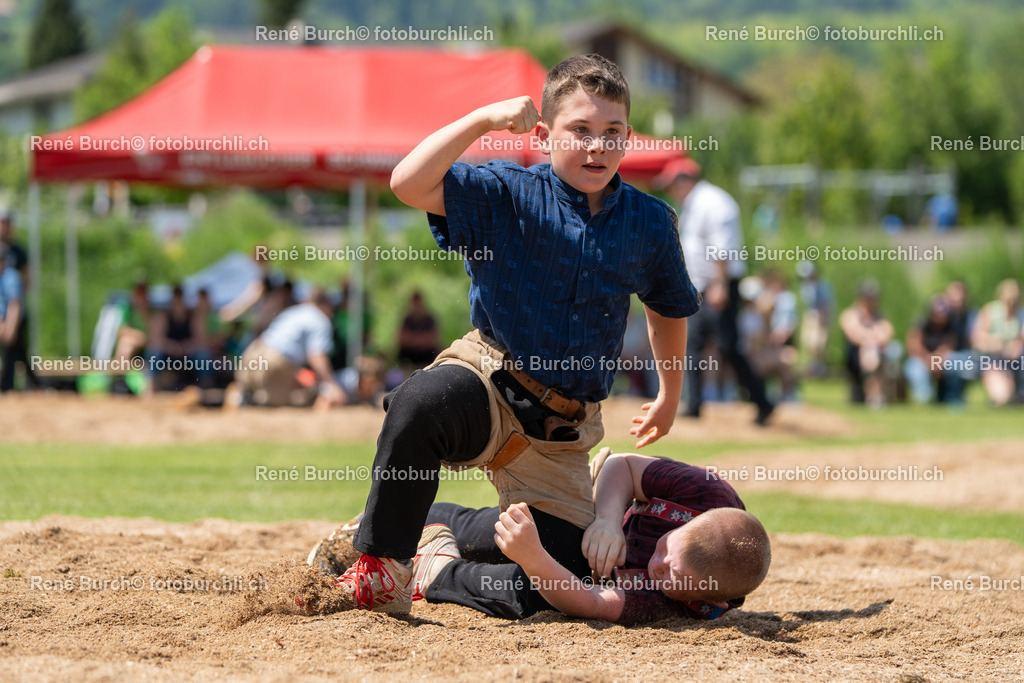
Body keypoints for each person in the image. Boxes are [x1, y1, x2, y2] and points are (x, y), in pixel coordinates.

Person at [329, 54, 700, 614]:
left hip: (562, 427)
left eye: (612, 133)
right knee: (418, 403)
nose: (597, 146)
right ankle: (380, 567)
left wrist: (670, 395)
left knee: (563, 573)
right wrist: (482, 120)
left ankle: (437, 552)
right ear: (546, 133)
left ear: (627, 137)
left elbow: (667, 309)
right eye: (581, 131)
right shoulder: (502, 191)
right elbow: (407, 183)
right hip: (488, 375)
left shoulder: (650, 222)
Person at [309, 449, 770, 625]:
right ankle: (397, 525)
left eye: (674, 579)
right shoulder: (708, 494)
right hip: (596, 508)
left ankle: (437, 570)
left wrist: (533, 559)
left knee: (535, 596)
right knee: (528, 525)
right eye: (668, 553)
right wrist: (608, 520)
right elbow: (624, 466)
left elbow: (592, 603)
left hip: (585, 571)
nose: (660, 569)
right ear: (687, 523)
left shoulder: (685, 599)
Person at [656, 158, 774, 425]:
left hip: (717, 285)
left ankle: (762, 400)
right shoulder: (696, 204)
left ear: (684, 181)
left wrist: (719, 285)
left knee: (728, 346)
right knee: (693, 344)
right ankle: (694, 404)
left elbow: (723, 247)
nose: (670, 191)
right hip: (700, 287)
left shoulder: (713, 201)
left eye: (671, 185)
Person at [226, 289, 346, 409]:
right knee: (275, 405)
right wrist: (331, 383)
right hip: (275, 360)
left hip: (254, 352)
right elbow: (316, 356)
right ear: (328, 305)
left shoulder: (295, 311)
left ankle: (240, 397)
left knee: (247, 391)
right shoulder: (320, 320)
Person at [839, 279, 895, 407]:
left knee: (881, 350)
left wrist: (870, 338)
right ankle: (874, 395)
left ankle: (876, 395)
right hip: (855, 357)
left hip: (877, 355)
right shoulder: (851, 314)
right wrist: (870, 338)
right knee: (869, 349)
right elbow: (853, 334)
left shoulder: (881, 316)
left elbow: (886, 334)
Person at [904, 294, 965, 404]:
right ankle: (924, 398)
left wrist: (937, 359)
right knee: (915, 369)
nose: (941, 317)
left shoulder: (950, 326)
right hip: (921, 360)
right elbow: (914, 347)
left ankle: (952, 397)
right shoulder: (921, 324)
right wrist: (928, 359)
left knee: (956, 361)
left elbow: (948, 346)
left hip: (940, 361)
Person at [971, 279, 1023, 406]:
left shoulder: (1021, 315)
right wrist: (994, 344)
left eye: (1015, 300)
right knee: (1002, 397)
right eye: (1009, 299)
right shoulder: (990, 311)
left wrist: (1016, 346)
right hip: (990, 360)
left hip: (1015, 361)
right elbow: (976, 339)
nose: (1011, 303)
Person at [0, 212, 36, 392]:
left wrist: (10, 322)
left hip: (13, 311)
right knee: (17, 352)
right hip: (4, 312)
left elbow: (17, 297)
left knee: (14, 350)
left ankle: (9, 386)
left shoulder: (17, 257)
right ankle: (32, 383)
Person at [796, 261, 834, 378]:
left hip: (820, 318)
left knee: (817, 344)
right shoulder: (805, 287)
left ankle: (819, 366)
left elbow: (827, 305)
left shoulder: (823, 286)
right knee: (807, 343)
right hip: (810, 318)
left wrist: (824, 318)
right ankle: (812, 366)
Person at [396, 290, 440, 369]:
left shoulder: (429, 319)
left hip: (426, 354)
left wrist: (412, 338)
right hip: (410, 354)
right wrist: (420, 339)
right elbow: (401, 338)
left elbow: (432, 339)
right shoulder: (407, 319)